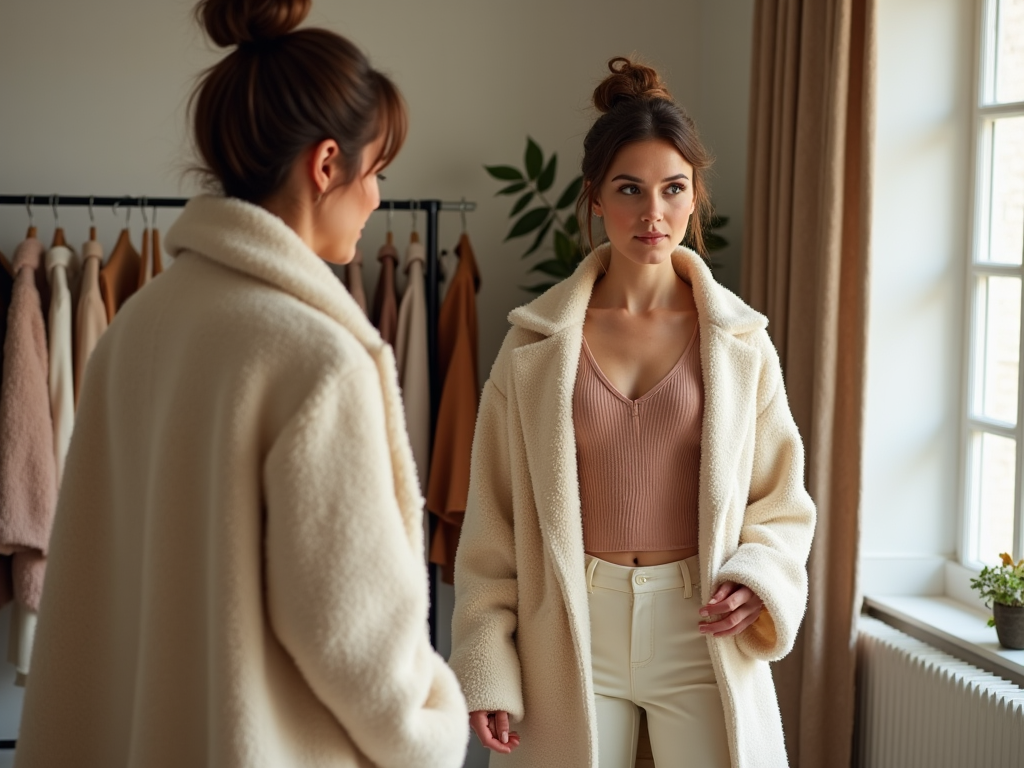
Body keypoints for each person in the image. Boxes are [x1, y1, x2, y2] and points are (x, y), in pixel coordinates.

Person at [15, 2, 468, 766]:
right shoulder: (318, 357)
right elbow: (352, 634)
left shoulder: (136, 330)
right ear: (327, 165)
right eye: (377, 172)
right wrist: (432, 727)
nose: (379, 199)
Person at [448, 57, 815, 768]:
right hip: (568, 631)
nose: (653, 214)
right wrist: (486, 658)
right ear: (594, 198)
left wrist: (760, 577)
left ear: (693, 197)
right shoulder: (534, 346)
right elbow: (492, 526)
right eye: (630, 190)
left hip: (700, 625)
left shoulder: (741, 345)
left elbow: (782, 499)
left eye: (673, 190)